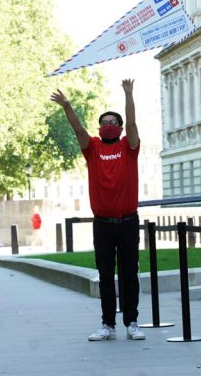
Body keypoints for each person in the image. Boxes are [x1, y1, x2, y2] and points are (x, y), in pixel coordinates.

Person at [50, 79, 145, 341]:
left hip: (128, 222)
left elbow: (134, 125)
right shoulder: (92, 148)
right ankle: (108, 325)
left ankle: (132, 322)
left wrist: (128, 94)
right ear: (100, 128)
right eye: (104, 122)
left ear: (120, 128)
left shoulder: (129, 147)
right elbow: (77, 129)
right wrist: (67, 106)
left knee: (129, 274)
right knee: (105, 275)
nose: (108, 125)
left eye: (113, 122)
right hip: (102, 223)